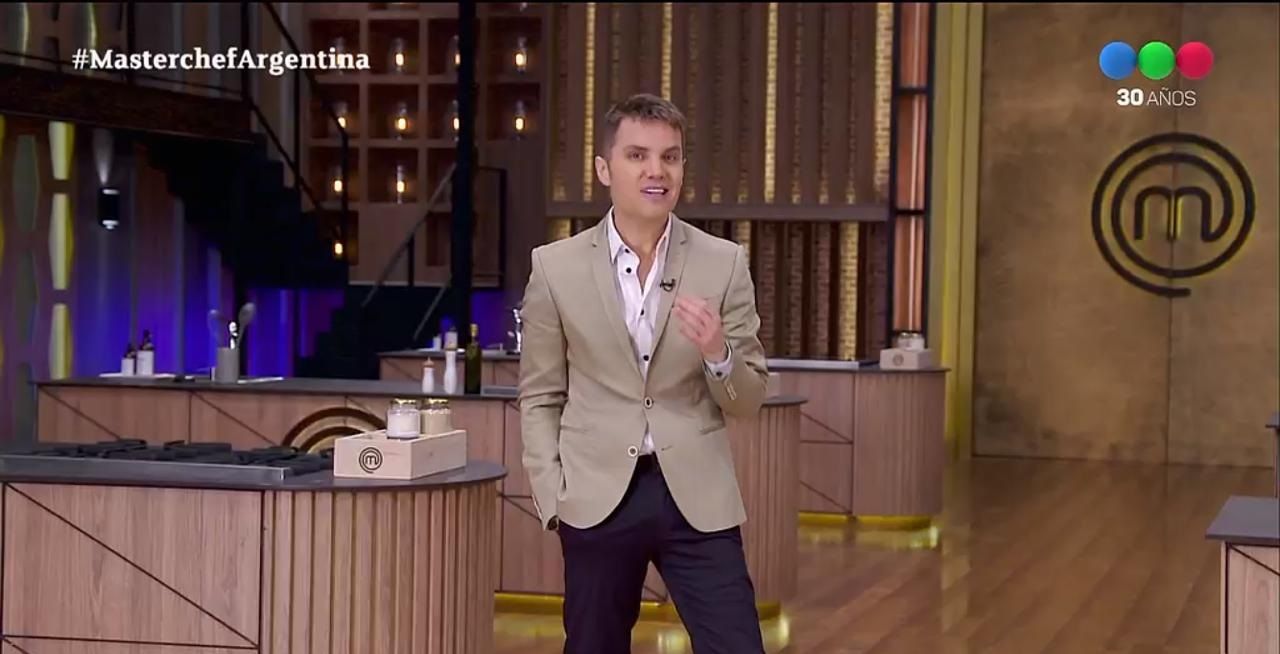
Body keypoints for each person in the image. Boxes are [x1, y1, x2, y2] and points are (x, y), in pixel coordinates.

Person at [517, 93, 770, 654]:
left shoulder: (723, 262)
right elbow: (540, 396)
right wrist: (553, 498)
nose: (657, 171)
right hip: (596, 497)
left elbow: (749, 398)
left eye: (670, 157)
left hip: (696, 497)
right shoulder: (554, 268)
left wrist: (718, 352)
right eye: (638, 156)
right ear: (604, 169)